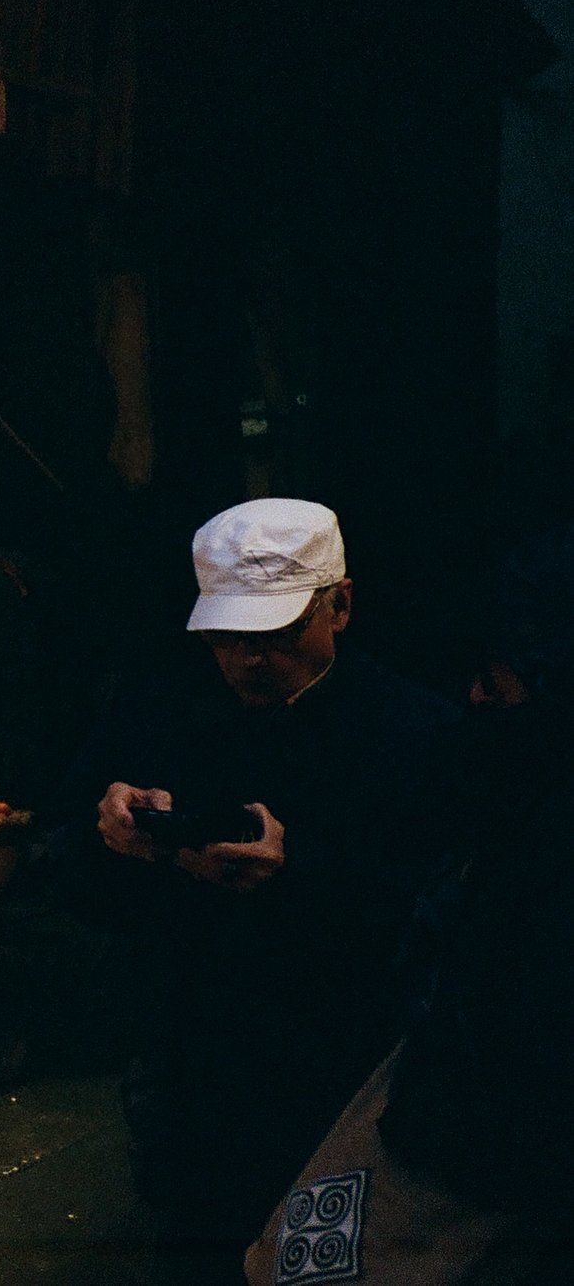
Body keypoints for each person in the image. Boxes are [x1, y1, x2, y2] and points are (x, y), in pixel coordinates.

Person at [50, 498, 463, 1275]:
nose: (247, 660)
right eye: (226, 638)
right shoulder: (157, 712)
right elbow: (63, 875)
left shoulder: (417, 732)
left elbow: (440, 917)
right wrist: (111, 840)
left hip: (342, 1057)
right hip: (188, 1046)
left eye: (275, 635)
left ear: (339, 605)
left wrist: (298, 878)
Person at [243, 527, 574, 1286]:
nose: (479, 695)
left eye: (500, 677)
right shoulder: (506, 769)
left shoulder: (469, 757)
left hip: (476, 1147)